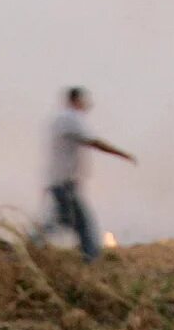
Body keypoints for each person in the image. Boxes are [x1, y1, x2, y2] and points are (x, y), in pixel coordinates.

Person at [43, 87, 134, 262]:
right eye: (84, 101)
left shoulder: (61, 119)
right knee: (83, 224)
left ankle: (31, 246)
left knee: (62, 221)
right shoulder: (70, 119)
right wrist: (122, 154)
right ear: (76, 100)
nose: (87, 105)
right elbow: (94, 142)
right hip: (64, 183)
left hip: (61, 182)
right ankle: (91, 258)